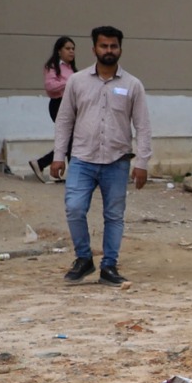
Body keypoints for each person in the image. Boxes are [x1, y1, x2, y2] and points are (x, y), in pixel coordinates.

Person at [47, 24, 149, 285]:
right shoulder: (76, 82)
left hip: (117, 160)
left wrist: (142, 162)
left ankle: (109, 266)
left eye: (113, 46)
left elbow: (142, 125)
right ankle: (83, 259)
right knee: (74, 208)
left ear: (120, 50)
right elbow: (65, 119)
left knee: (114, 215)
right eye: (104, 46)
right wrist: (59, 155)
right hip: (82, 158)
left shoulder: (132, 85)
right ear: (94, 49)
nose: (109, 50)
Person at [36, 35, 74, 178]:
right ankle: (73, 173)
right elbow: (50, 86)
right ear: (59, 51)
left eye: (73, 49)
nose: (71, 52)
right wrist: (70, 82)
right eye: (67, 48)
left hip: (71, 105)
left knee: (72, 139)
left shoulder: (71, 69)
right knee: (70, 138)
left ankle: (40, 163)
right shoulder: (53, 67)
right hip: (58, 104)